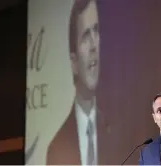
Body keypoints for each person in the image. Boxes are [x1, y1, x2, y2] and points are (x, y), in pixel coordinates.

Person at [46, 0, 111, 165]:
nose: (93, 45)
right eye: (85, 36)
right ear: (73, 62)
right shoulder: (57, 148)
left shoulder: (115, 132)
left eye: (96, 31)